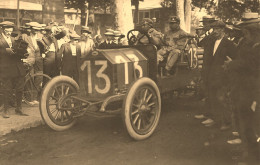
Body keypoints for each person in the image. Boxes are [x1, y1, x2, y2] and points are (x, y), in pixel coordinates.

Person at [225, 13, 260, 164]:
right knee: (244, 124)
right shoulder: (246, 41)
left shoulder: (256, 44)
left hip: (253, 90)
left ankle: (252, 158)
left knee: (252, 126)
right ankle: (249, 155)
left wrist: (231, 64)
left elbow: (252, 66)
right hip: (242, 87)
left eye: (246, 28)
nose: (243, 31)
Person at [199, 20, 236, 129]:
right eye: (213, 29)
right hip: (211, 74)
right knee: (212, 96)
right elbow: (201, 45)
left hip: (222, 75)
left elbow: (233, 59)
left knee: (222, 98)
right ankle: (215, 119)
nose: (215, 31)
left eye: (217, 29)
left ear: (223, 30)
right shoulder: (211, 42)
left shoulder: (228, 44)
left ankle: (227, 122)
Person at [0, 21, 28, 118]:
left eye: (10, 30)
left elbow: (18, 51)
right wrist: (4, 51)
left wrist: (24, 54)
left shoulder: (13, 39)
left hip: (17, 68)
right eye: (7, 31)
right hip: (6, 68)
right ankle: (6, 110)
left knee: (19, 89)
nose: (9, 32)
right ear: (3, 29)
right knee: (7, 89)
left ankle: (19, 109)